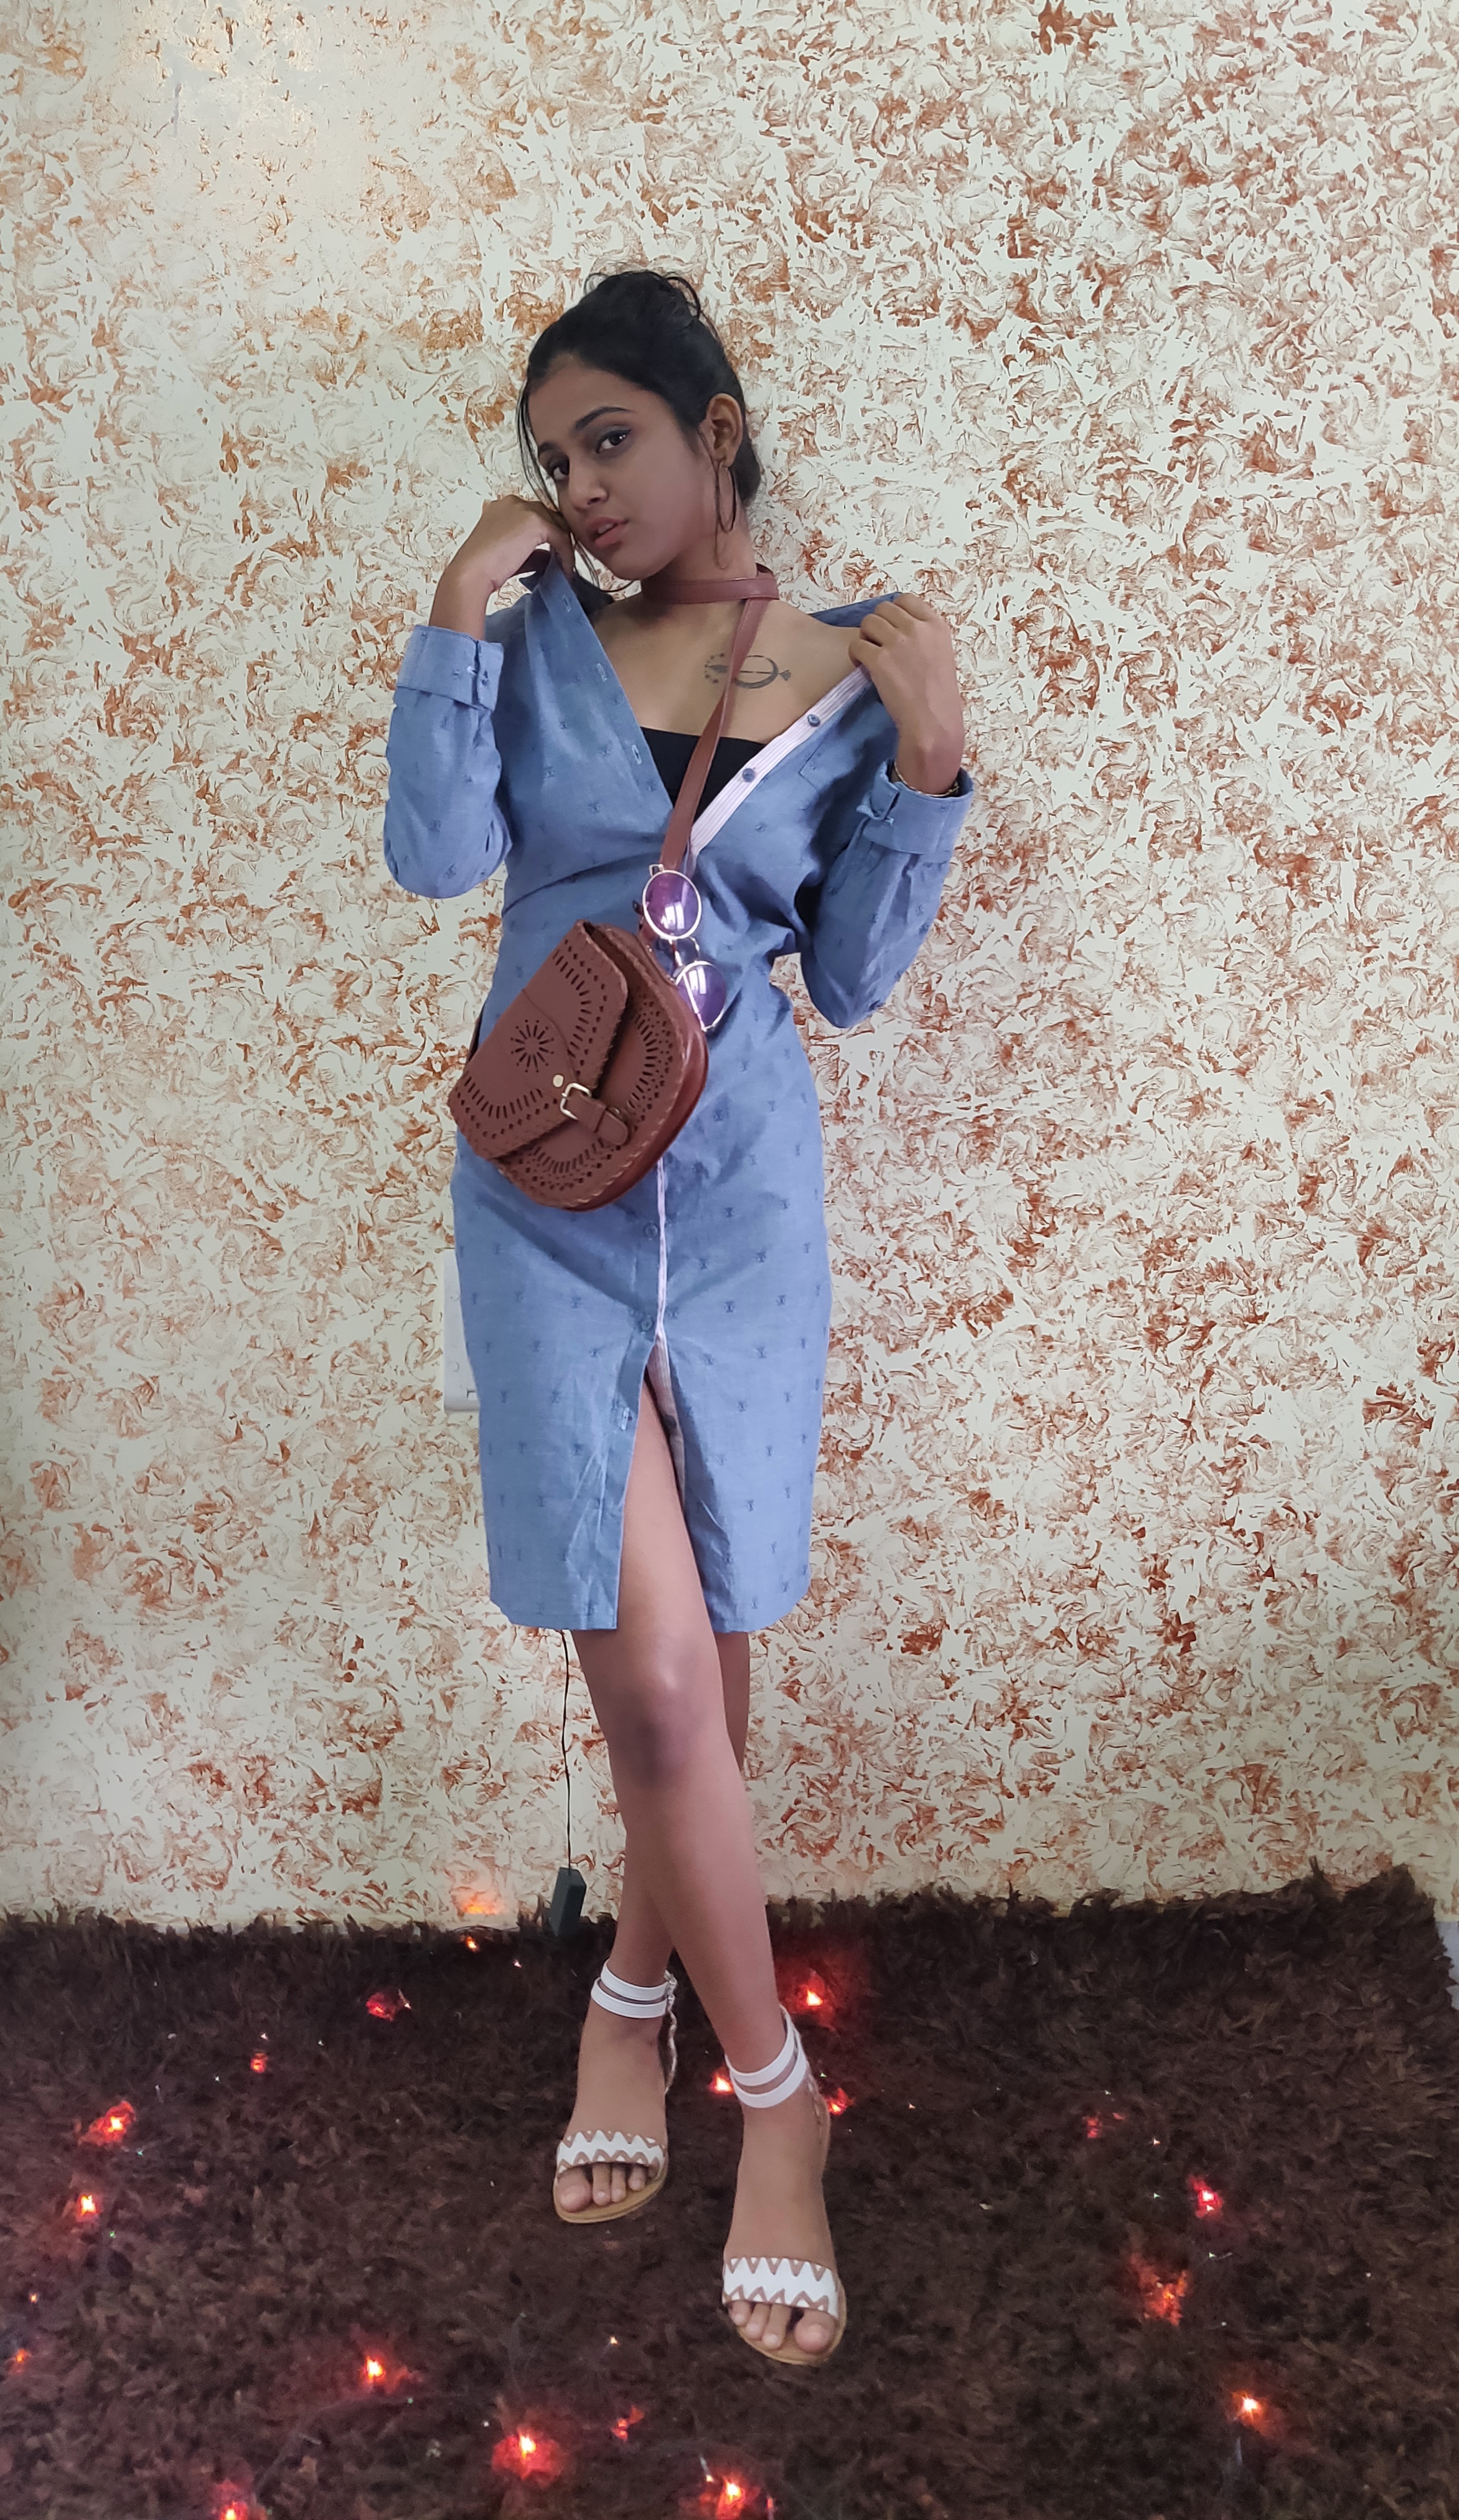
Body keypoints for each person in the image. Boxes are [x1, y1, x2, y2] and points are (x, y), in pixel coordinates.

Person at [382, 266, 971, 2366]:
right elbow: (433, 854)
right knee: (644, 1686)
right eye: (556, 457)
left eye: (612, 437)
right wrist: (456, 611)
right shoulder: (534, 633)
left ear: (717, 430)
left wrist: (930, 759)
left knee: (708, 1660)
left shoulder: (844, 667)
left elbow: (855, 975)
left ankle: (630, 2003)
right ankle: (780, 2097)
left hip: (737, 1213)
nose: (584, 487)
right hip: (541, 1197)